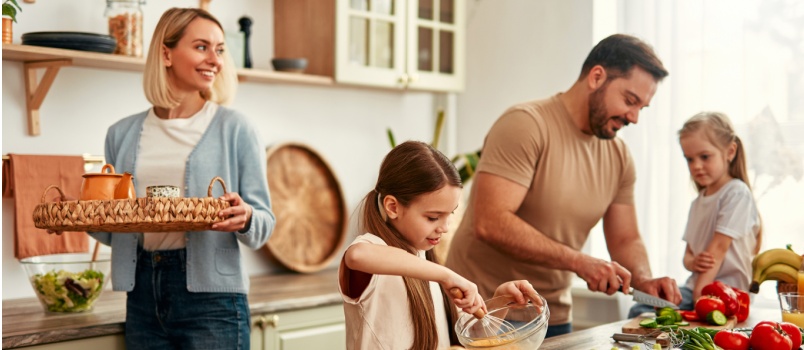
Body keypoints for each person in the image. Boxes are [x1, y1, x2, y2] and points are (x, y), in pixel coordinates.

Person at [445, 34, 683, 337]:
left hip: (552, 317)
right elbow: (490, 222)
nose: (634, 117)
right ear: (597, 77)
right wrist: (579, 262)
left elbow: (625, 239)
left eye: (641, 108)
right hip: (483, 312)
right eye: (629, 100)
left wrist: (644, 280)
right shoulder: (526, 124)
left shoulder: (619, 157)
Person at [88, 8, 275, 349]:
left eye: (219, 50)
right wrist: (80, 218)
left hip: (213, 303)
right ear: (166, 53)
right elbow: (120, 228)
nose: (214, 60)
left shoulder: (236, 129)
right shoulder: (121, 134)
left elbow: (264, 223)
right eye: (202, 47)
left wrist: (246, 216)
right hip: (142, 296)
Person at [338, 141, 543, 349]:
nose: (445, 227)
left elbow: (472, 339)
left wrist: (500, 300)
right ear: (393, 207)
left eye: (450, 214)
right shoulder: (373, 252)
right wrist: (446, 275)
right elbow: (357, 255)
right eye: (433, 217)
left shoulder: (425, 259)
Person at [633, 112, 761, 316]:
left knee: (647, 313)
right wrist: (693, 262)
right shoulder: (697, 202)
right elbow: (688, 255)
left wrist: (699, 301)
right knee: (642, 309)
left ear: (730, 152)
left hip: (728, 293)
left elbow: (718, 250)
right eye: (689, 159)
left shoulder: (736, 193)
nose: (696, 166)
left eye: (704, 157)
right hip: (696, 288)